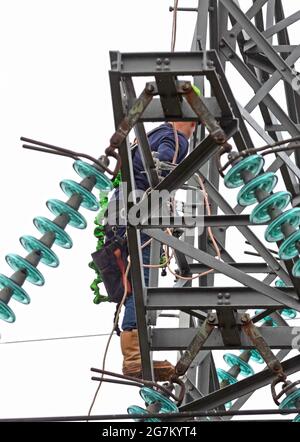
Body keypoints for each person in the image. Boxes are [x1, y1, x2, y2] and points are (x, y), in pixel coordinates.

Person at [105, 121, 196, 381]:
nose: (193, 130)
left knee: (133, 283)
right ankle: (134, 357)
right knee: (141, 282)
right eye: (193, 124)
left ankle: (133, 353)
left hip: (118, 214)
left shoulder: (147, 135)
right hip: (138, 213)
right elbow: (162, 170)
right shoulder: (176, 137)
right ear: (187, 120)